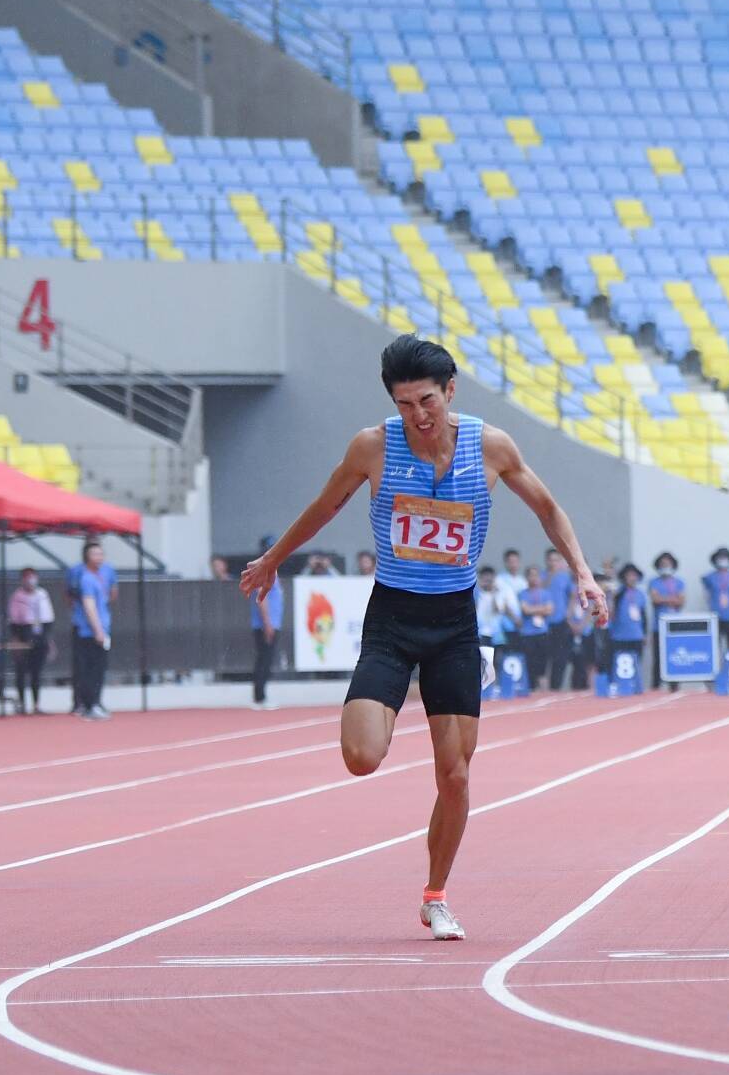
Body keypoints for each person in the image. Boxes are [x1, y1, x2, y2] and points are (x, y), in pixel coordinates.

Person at [240, 334, 605, 942]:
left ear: (450, 391)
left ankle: (435, 896)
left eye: (427, 401)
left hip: (455, 624)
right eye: (405, 404)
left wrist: (584, 574)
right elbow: (326, 506)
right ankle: (390, 707)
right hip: (392, 618)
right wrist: (274, 558)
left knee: (455, 775)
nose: (418, 415)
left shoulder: (490, 446)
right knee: (361, 757)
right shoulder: (372, 447)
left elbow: (547, 508)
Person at [70, 536, 115, 720]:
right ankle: (90, 704)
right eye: (95, 554)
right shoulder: (87, 579)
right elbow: (89, 605)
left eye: (100, 554)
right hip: (90, 631)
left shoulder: (101, 577)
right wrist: (98, 630)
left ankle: (95, 702)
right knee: (91, 669)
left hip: (101, 627)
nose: (99, 557)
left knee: (99, 668)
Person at [5, 567, 54, 714]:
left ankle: (36, 704)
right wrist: (17, 639)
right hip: (24, 635)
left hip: (40, 635)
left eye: (32, 577)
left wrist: (48, 640)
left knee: (36, 672)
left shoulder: (42, 594)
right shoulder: (17, 596)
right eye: (27, 577)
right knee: (21, 671)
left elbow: (48, 619)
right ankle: (21, 703)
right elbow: (14, 621)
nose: (30, 581)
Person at [606, 561, 650, 688]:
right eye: (629, 575)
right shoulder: (618, 593)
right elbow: (611, 611)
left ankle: (635, 686)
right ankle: (616, 685)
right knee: (617, 663)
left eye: (634, 575)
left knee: (636, 663)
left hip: (636, 635)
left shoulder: (640, 594)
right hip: (619, 635)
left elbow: (643, 615)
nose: (632, 578)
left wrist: (645, 634)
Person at [648, 552, 688, 690]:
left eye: (668, 564)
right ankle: (656, 685)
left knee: (674, 655)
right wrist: (672, 599)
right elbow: (655, 599)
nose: (665, 566)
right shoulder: (654, 582)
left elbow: (681, 601)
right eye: (663, 564)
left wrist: (664, 599)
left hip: (675, 626)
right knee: (658, 657)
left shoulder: (679, 582)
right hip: (658, 625)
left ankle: (674, 685)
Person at [516, 563, 558, 691]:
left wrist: (533, 609)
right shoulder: (522, 593)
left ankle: (543, 687)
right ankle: (531, 686)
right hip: (528, 633)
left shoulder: (546, 593)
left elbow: (550, 610)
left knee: (543, 661)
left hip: (542, 632)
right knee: (529, 661)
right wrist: (541, 608)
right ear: (527, 577)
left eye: (536, 575)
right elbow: (525, 610)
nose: (534, 578)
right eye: (531, 575)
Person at [701, 547, 729, 669]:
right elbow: (706, 594)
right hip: (715, 616)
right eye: (720, 558)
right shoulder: (709, 577)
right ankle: (715, 671)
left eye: (725, 558)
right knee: (715, 646)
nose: (723, 560)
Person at [248, 557, 282, 706]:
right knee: (264, 660)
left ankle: (260, 695)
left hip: (272, 623)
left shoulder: (273, 573)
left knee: (266, 660)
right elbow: (262, 598)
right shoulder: (265, 573)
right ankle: (259, 697)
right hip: (265, 624)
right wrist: (267, 623)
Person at [558, 571, 597, 690]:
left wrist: (582, 626)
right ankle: (575, 686)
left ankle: (589, 686)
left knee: (587, 661)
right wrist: (572, 625)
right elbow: (567, 611)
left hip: (586, 631)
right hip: (571, 631)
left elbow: (591, 610)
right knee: (574, 661)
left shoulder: (590, 587)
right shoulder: (568, 587)